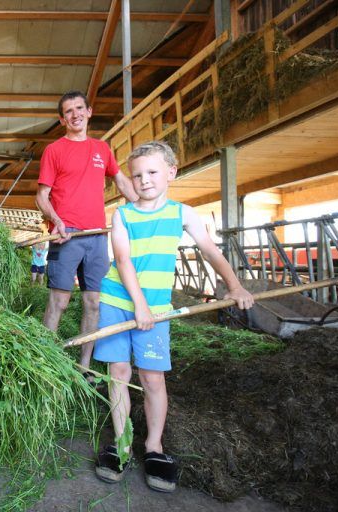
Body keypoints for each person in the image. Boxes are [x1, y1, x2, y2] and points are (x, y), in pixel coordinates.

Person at [93, 141, 254, 492]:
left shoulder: (183, 214)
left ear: (171, 172)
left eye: (152, 172)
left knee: (152, 378)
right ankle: (121, 444)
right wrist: (139, 305)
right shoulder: (122, 215)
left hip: (157, 307)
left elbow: (210, 250)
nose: (144, 180)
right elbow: (122, 261)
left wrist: (235, 286)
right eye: (137, 175)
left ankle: (154, 447)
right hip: (118, 300)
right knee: (118, 372)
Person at [36, 90, 138, 378]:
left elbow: (121, 182)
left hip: (96, 237)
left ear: (89, 112)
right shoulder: (54, 150)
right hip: (66, 236)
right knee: (60, 301)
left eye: (80, 108)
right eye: (69, 111)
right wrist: (56, 220)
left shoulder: (101, 149)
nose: (75, 114)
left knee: (93, 302)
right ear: (62, 119)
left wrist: (145, 210)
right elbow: (41, 196)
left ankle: (84, 367)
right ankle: (43, 362)